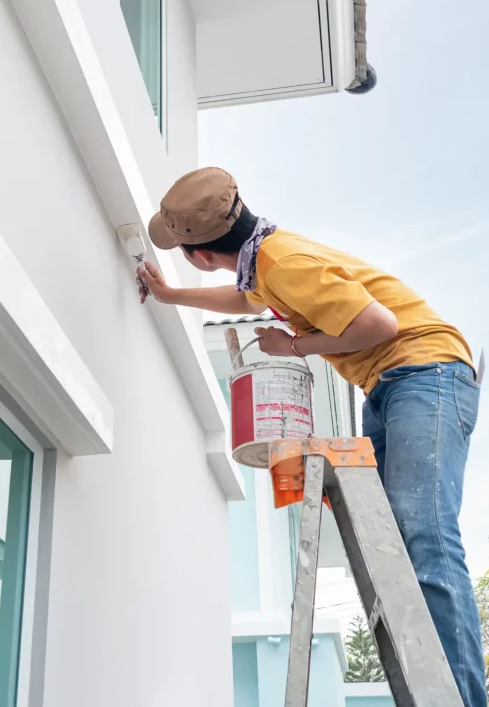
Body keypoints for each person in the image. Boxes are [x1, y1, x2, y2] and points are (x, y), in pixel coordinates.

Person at [139, 166, 485, 707]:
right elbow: (246, 302)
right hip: (394, 383)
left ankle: (461, 699)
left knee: (425, 536)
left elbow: (380, 326)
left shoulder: (286, 263)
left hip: (425, 373)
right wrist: (172, 296)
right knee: (395, 547)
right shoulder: (264, 261)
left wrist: (293, 348)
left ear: (200, 253)